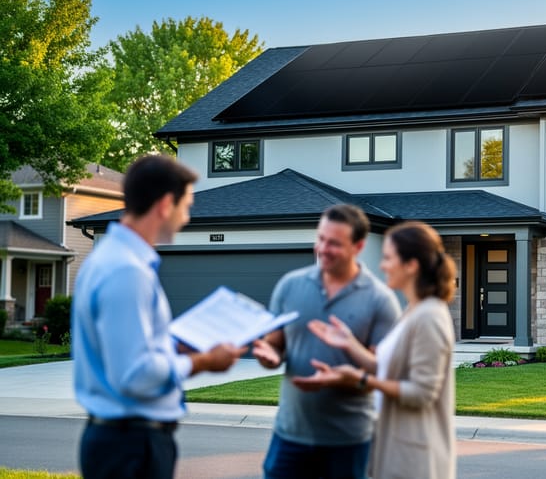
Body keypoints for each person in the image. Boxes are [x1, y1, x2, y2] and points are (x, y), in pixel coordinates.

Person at [72, 155, 245, 479]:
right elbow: (135, 375)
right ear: (166, 205)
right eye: (186, 206)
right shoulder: (127, 271)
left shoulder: (109, 259)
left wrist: (174, 345)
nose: (186, 218)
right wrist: (204, 361)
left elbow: (128, 348)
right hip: (131, 448)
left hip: (121, 443)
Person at [295, 220, 457, 479]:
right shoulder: (412, 311)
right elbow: (389, 369)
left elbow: (421, 393)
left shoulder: (429, 317)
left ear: (411, 265)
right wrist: (350, 343)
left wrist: (359, 379)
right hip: (394, 448)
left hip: (416, 460)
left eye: (388, 258)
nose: (382, 266)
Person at [253, 204, 402, 479]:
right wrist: (270, 355)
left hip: (348, 441)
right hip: (290, 434)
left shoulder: (380, 300)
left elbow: (384, 369)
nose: (323, 248)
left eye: (334, 243)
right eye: (320, 238)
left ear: (358, 246)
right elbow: (274, 343)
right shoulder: (290, 285)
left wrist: (346, 374)